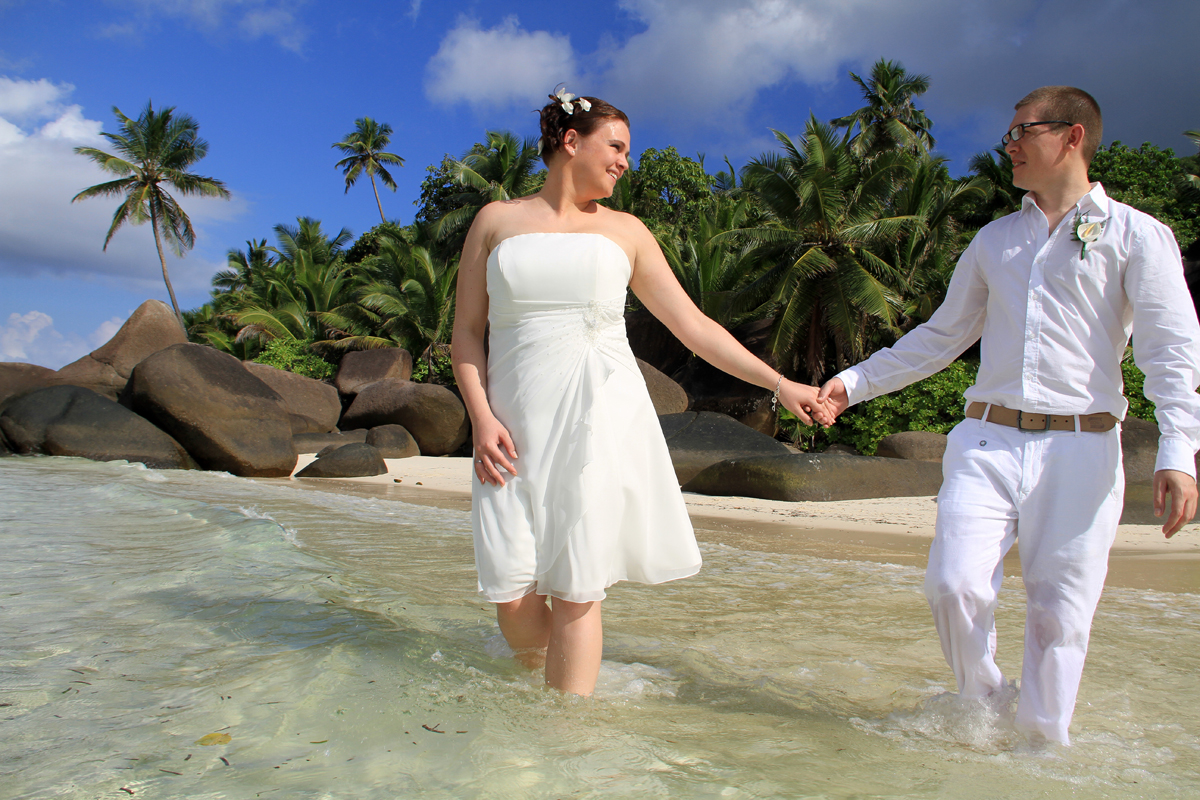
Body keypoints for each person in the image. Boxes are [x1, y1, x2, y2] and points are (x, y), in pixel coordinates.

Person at [817, 86, 1200, 744]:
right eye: (1009, 134)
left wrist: (1176, 453)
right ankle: (986, 701)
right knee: (953, 585)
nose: (1010, 145)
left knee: (1060, 617)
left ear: (1073, 137)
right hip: (987, 439)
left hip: (1085, 450)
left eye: (1024, 131)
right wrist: (852, 384)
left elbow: (1172, 352)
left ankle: (1040, 759)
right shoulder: (995, 241)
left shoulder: (1140, 236)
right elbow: (941, 338)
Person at [451, 87, 833, 696]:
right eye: (618, 146)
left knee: (577, 584)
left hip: (597, 416)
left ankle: (567, 735)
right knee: (513, 592)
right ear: (571, 141)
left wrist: (780, 384)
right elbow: (467, 334)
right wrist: (481, 416)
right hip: (511, 425)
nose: (626, 161)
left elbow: (696, 328)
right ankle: (535, 697)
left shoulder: (628, 231)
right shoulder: (494, 222)